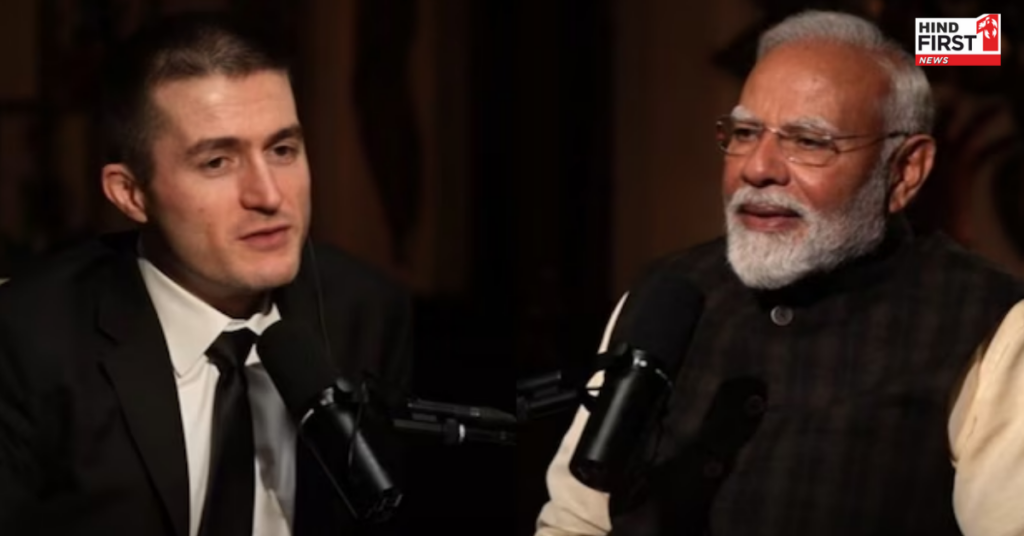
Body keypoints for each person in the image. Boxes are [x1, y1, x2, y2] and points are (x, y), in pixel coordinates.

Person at [535, 10, 1024, 536]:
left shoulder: (988, 322)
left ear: (905, 170)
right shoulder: (667, 294)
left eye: (808, 141)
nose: (757, 167)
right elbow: (576, 521)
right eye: (745, 132)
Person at [0, 12, 412, 536]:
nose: (268, 195)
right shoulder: (30, 336)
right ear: (130, 194)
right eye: (217, 162)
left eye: (282, 150)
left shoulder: (367, 311)